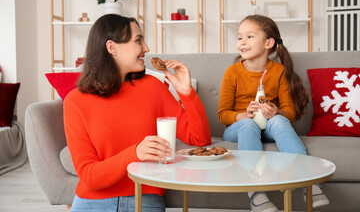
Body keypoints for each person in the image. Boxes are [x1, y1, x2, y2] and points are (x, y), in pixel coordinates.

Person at [63, 14, 211, 212]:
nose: (147, 48)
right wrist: (135, 153)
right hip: (92, 203)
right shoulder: (76, 101)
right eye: (138, 40)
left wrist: (187, 94)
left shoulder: (152, 88)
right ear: (112, 47)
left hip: (144, 199)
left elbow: (200, 140)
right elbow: (89, 175)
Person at [217, 15, 329, 212]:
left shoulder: (278, 72)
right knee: (249, 124)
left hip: (267, 127)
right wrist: (244, 115)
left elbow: (290, 113)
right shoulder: (232, 73)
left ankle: (309, 184)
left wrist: (277, 112)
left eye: (249, 36)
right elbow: (223, 114)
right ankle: (255, 192)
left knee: (278, 121)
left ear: (268, 43)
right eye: (239, 37)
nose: (242, 42)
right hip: (239, 127)